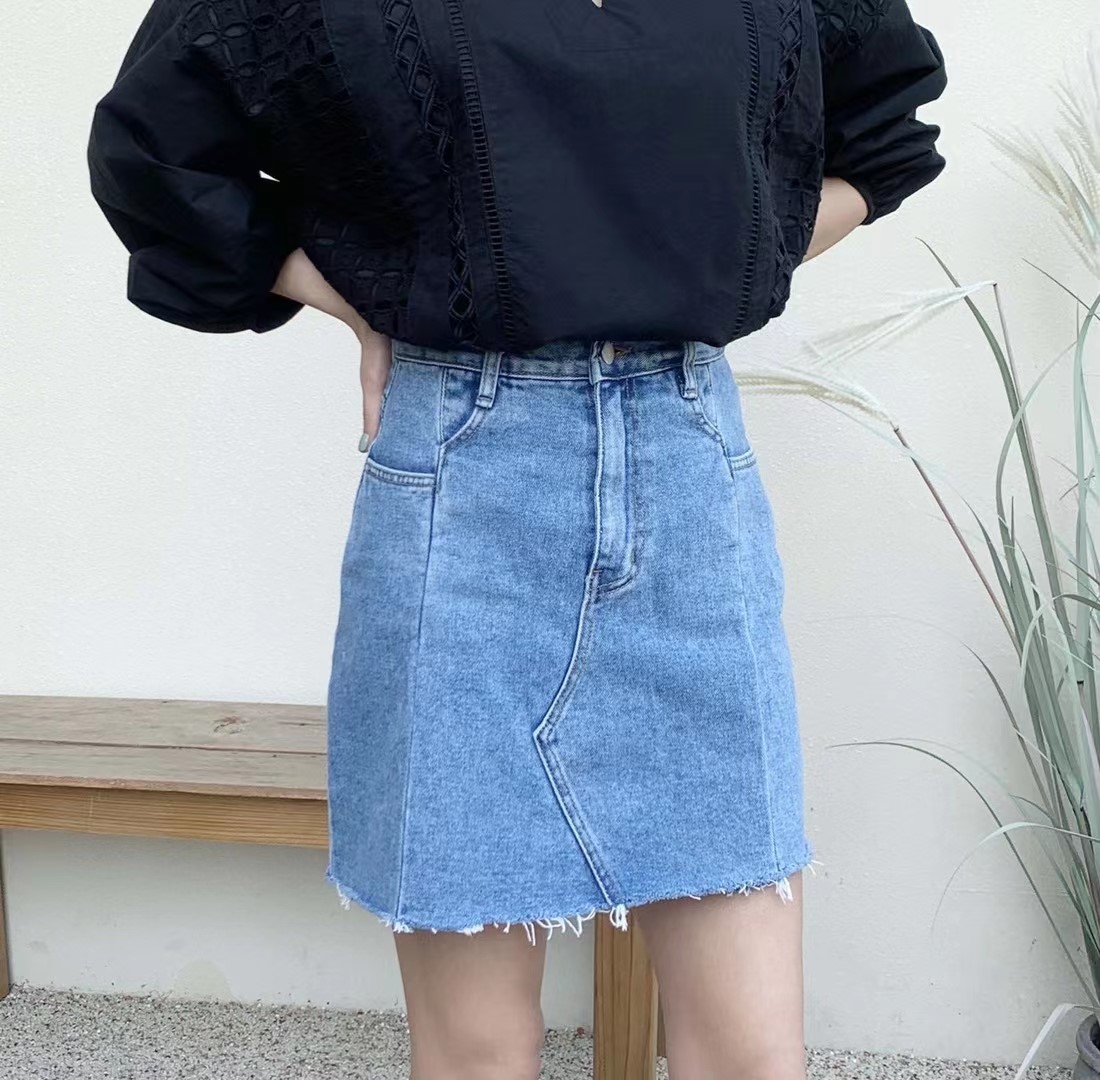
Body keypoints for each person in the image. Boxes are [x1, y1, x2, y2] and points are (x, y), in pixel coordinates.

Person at [86, 1, 947, 1076]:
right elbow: (154, 154)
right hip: (461, 478)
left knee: (750, 1050)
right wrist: (358, 298)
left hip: (685, 466)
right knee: (477, 1050)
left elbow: (883, 136)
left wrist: (732, 264)